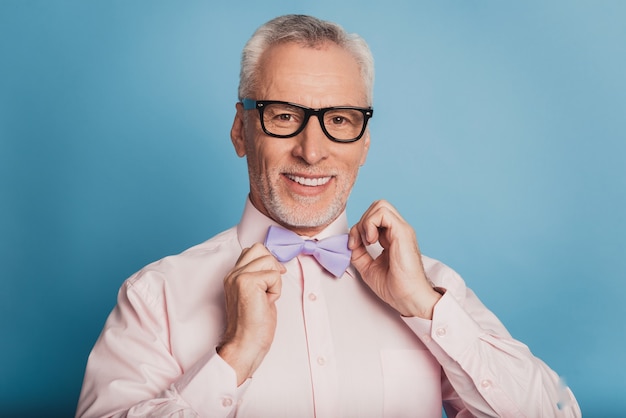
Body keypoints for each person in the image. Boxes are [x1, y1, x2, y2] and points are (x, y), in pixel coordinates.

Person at [76, 14, 581, 418]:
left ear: (364, 143)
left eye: (339, 120)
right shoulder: (155, 296)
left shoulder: (433, 288)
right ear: (240, 130)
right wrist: (233, 358)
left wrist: (426, 310)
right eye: (284, 116)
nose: (312, 151)